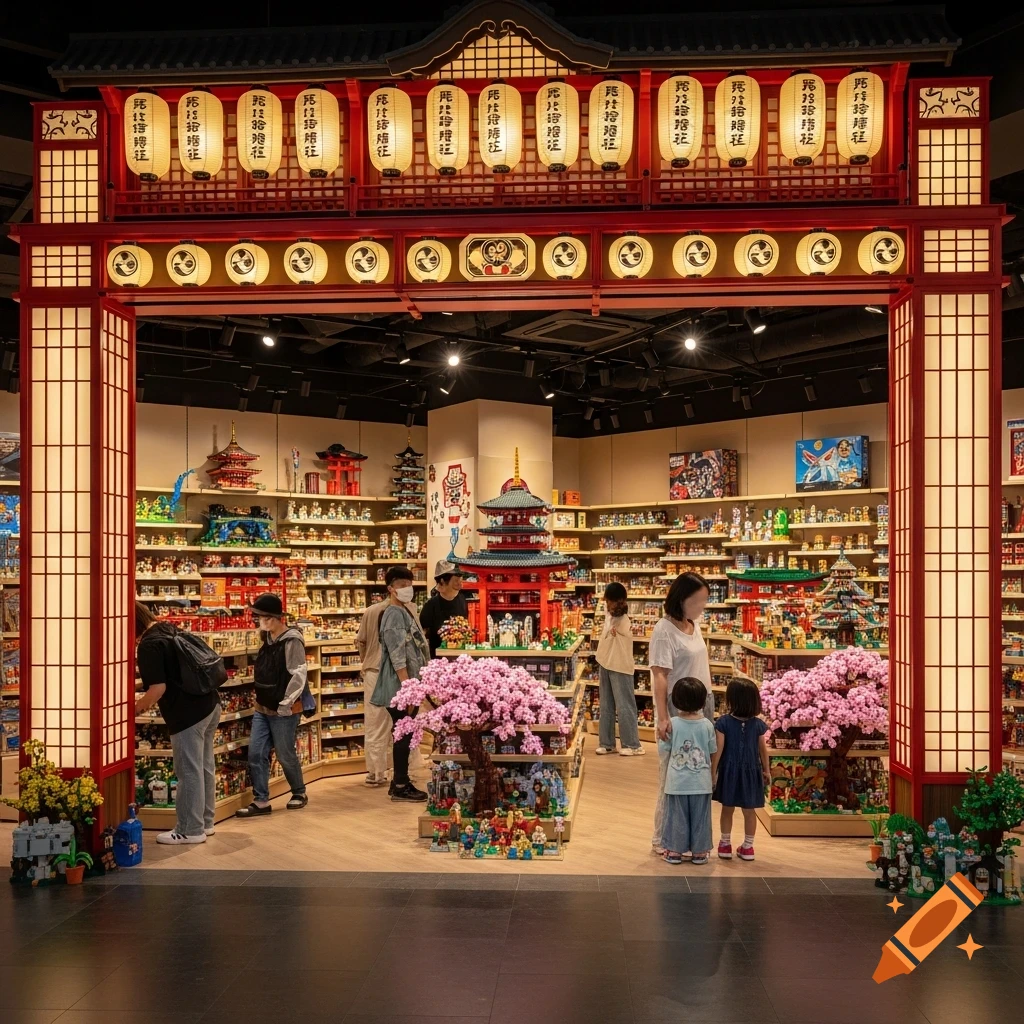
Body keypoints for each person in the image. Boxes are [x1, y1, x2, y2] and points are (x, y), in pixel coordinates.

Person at [134, 601, 221, 845]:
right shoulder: (169, 629)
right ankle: (205, 822)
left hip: (187, 714)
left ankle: (189, 830)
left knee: (188, 771)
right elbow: (168, 673)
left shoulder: (148, 645)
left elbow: (159, 688)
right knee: (204, 767)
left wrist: (135, 708)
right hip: (209, 703)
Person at [648, 571, 712, 855]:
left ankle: (691, 841)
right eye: (698, 601)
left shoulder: (693, 625)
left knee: (698, 775)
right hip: (677, 708)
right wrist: (663, 717)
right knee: (671, 777)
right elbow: (660, 675)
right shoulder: (664, 630)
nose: (703, 607)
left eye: (704, 601)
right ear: (682, 599)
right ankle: (663, 839)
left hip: (703, 705)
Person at [235, 594, 308, 817]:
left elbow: (298, 674)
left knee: (285, 753)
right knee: (256, 753)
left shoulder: (292, 640)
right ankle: (261, 800)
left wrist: (286, 704)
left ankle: (299, 792)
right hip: (262, 706)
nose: (259, 621)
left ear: (274, 618)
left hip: (284, 709)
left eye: (262, 617)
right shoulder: (266, 638)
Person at [371, 565, 430, 801]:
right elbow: (397, 653)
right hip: (400, 685)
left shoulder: (403, 610)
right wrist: (408, 688)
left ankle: (399, 782)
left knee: (402, 732)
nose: (407, 589)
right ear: (390, 589)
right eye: (402, 585)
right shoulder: (394, 613)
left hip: (405, 683)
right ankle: (401, 784)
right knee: (403, 734)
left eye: (409, 584)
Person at [658, 677, 717, 865]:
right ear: (702, 701)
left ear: (675, 700)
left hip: (676, 781)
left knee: (676, 816)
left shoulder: (672, 724)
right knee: (701, 818)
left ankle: (674, 851)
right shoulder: (707, 725)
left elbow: (664, 749)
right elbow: (712, 751)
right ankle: (700, 853)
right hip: (701, 781)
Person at [711, 676, 771, 861]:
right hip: (752, 772)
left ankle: (725, 844)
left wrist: (712, 773)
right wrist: (766, 770)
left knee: (727, 809)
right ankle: (748, 847)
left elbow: (718, 750)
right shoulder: (758, 724)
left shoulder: (723, 723)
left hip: (729, 772)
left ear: (732, 700)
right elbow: (763, 749)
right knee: (749, 811)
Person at [594, 582, 643, 755]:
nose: (607, 604)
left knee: (625, 705)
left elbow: (619, 618)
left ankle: (631, 744)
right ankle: (607, 742)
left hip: (620, 665)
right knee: (606, 704)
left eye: (609, 601)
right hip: (605, 662)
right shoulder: (609, 616)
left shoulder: (623, 619)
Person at [356, 597, 396, 787]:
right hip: (396, 672)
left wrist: (366, 661)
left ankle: (375, 771)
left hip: (373, 670)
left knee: (374, 722)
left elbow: (361, 642)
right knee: (399, 723)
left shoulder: (370, 610)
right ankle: (401, 770)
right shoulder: (404, 611)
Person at [419, 560, 469, 657]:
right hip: (437, 659)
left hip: (460, 657)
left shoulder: (462, 600)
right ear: (442, 581)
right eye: (456, 581)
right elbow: (422, 635)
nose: (460, 585)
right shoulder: (430, 605)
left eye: (460, 580)